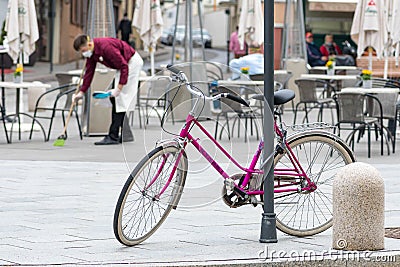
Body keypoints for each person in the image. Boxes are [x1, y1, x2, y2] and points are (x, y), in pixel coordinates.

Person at [72, 34, 143, 145]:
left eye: (83, 50)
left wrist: (119, 88)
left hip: (131, 64)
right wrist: (81, 92)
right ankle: (125, 134)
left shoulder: (106, 48)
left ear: (89, 44)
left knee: (119, 100)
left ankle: (113, 136)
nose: (83, 53)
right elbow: (89, 73)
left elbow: (124, 66)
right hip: (124, 65)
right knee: (116, 101)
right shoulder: (92, 53)